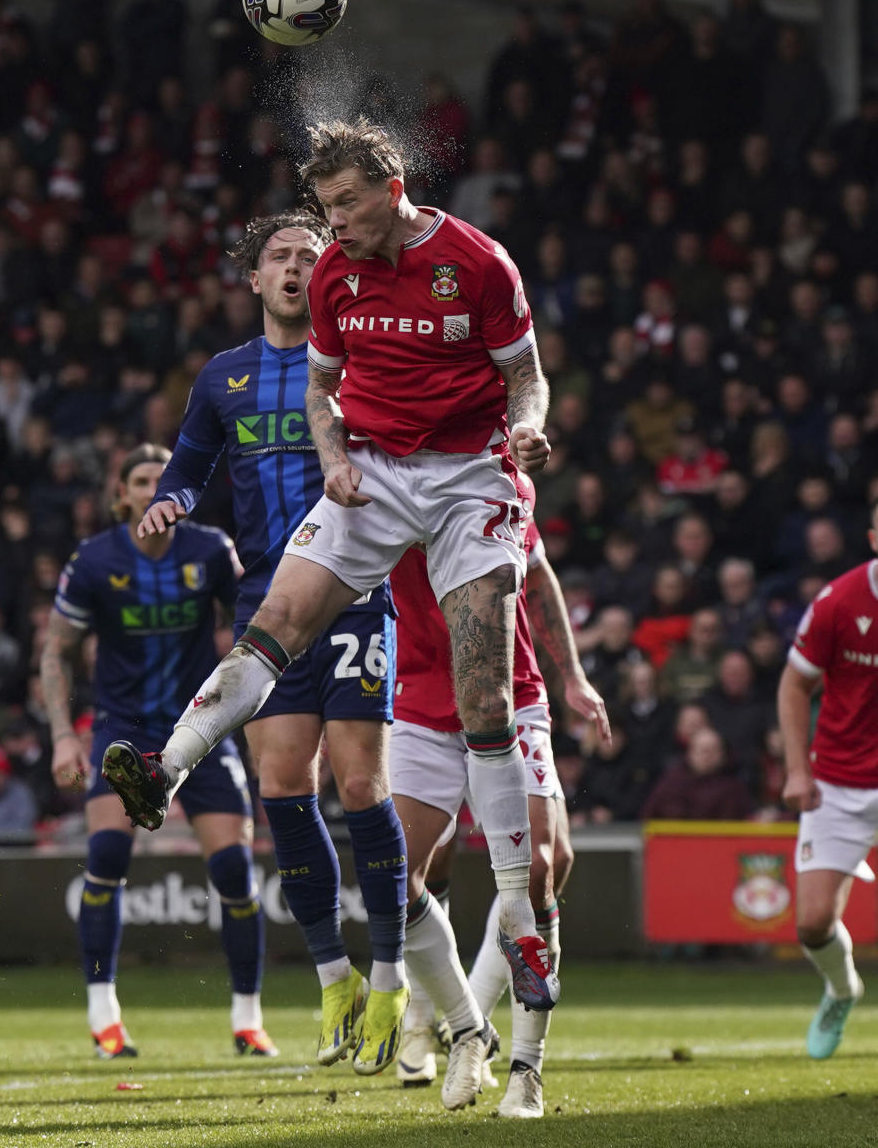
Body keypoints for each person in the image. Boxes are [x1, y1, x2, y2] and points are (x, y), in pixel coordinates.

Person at [102, 118, 561, 1054]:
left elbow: (528, 380)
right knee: (271, 622)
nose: (335, 223)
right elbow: (323, 388)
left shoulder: (477, 263)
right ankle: (166, 768)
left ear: (392, 187)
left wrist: (526, 432)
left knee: (486, 700)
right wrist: (333, 454)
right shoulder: (331, 282)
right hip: (376, 475)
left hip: (471, 475)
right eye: (324, 208)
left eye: (347, 204)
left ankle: (520, 918)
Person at [105, 211, 404, 1077]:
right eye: (280, 256)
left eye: (312, 257)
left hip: (350, 593)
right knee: (281, 783)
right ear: (253, 277)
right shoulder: (223, 377)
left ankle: (389, 976)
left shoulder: (356, 364)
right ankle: (333, 975)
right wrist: (168, 501)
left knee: (358, 781)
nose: (295, 267)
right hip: (267, 603)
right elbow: (189, 466)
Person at [40, 443, 272, 1061]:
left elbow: (256, 629)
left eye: (161, 478)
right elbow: (55, 651)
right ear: (122, 496)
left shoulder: (210, 550)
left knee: (234, 873)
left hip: (199, 727)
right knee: (107, 856)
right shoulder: (92, 560)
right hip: (123, 731)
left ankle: (248, 1020)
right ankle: (104, 1016)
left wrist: (261, 722)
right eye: (141, 480)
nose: (151, 488)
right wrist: (64, 733)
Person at [388, 471, 608, 1115]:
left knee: (544, 866)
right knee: (392, 878)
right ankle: (466, 1026)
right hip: (420, 704)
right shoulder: (370, 479)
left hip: (512, 698)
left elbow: (536, 578)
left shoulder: (501, 479)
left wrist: (573, 677)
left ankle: (526, 1069)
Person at [778, 499, 878, 1059]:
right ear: (872, 537)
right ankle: (843, 989)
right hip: (838, 780)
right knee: (813, 924)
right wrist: (798, 769)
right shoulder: (839, 601)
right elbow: (794, 686)